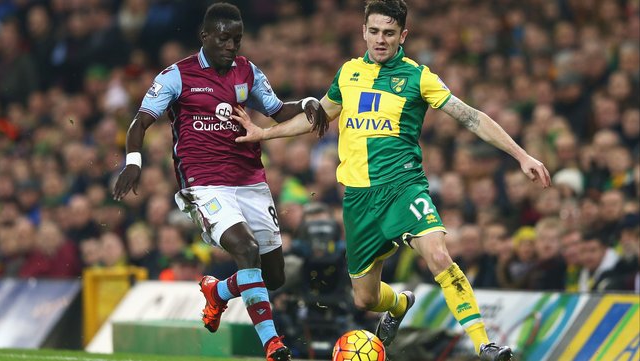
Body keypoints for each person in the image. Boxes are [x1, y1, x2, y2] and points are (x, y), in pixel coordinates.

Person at [232, 1, 552, 360]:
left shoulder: (419, 76)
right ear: (363, 31)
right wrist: (263, 133)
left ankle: (484, 344)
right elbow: (317, 117)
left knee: (438, 255)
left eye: (388, 33)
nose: (380, 40)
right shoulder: (349, 73)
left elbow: (471, 117)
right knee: (365, 298)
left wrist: (521, 155)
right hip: (358, 199)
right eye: (373, 31)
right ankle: (399, 304)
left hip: (403, 187)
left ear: (403, 35)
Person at [112, 4, 327, 361]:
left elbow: (275, 110)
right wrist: (133, 161)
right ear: (206, 36)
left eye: (237, 39)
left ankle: (219, 293)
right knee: (246, 250)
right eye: (224, 38)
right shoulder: (176, 76)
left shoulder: (247, 72)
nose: (231, 46)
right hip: (204, 185)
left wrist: (307, 102)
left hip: (250, 181)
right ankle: (273, 345)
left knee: (273, 277)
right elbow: (140, 122)